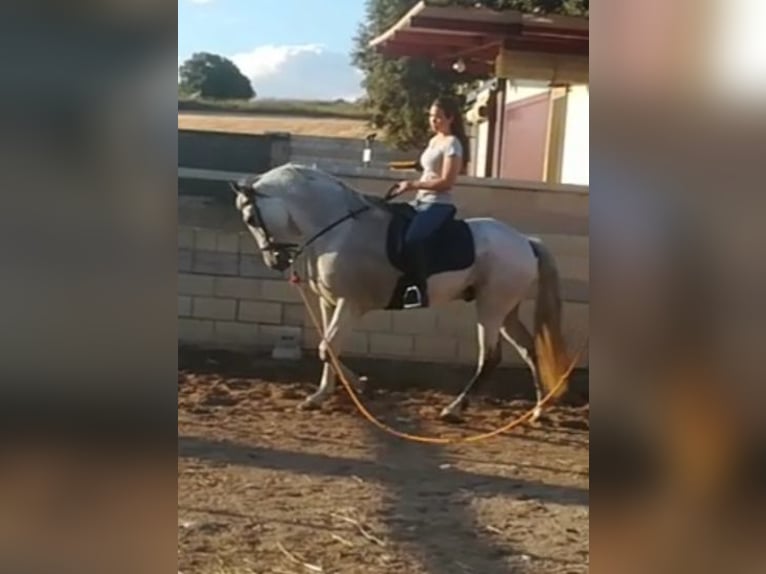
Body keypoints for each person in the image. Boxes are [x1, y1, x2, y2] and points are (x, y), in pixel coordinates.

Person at [392, 96, 470, 308]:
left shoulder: (453, 144)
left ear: (451, 118)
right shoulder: (434, 141)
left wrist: (413, 185)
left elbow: (446, 182)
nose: (433, 121)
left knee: (413, 239)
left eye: (438, 117)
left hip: (438, 204)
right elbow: (427, 170)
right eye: (431, 117)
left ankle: (418, 289)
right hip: (419, 202)